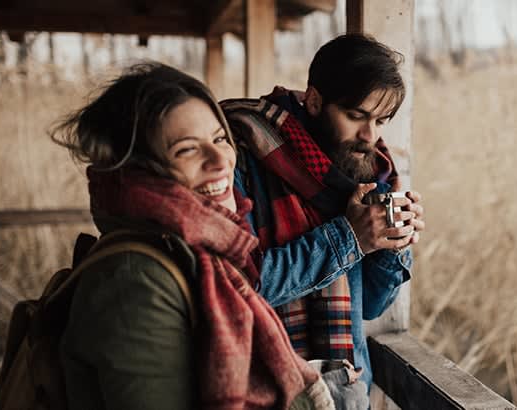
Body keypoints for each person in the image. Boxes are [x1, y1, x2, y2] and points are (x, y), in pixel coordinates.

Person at [51, 62, 355, 409]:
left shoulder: (208, 253)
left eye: (220, 138)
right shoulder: (135, 281)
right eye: (186, 149)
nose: (220, 161)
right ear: (137, 171)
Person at [222, 33, 425, 390]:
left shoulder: (370, 171)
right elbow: (240, 285)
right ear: (314, 101)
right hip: (264, 388)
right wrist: (351, 237)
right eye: (355, 115)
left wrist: (393, 243)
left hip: (345, 390)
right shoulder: (241, 155)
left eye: (381, 121)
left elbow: (371, 306)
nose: (370, 135)